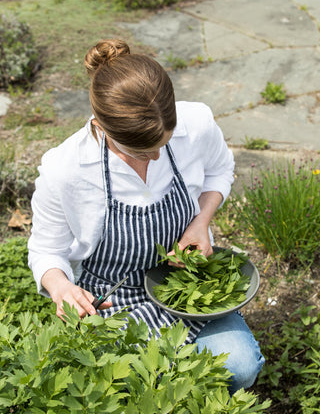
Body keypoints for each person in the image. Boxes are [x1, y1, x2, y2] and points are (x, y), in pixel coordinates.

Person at [28, 39, 264, 394]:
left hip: (184, 283)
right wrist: (60, 287)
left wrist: (201, 222)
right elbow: (46, 249)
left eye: (162, 145)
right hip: (113, 298)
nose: (154, 158)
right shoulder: (66, 169)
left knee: (240, 368)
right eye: (141, 150)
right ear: (102, 127)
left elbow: (219, 171)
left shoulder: (195, 123)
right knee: (134, 389)